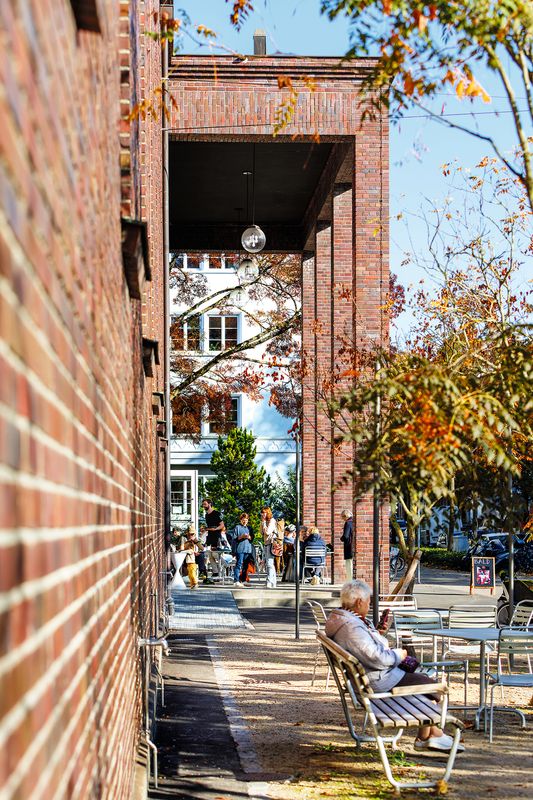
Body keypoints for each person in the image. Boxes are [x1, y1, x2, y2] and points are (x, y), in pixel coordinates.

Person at [325, 580, 465, 753]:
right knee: (434, 687)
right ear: (359, 602)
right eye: (368, 601)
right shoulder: (351, 628)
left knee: (425, 688)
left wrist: (377, 634)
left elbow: (364, 648)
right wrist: (399, 655)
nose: (369, 605)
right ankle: (429, 737)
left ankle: (432, 736)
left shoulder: (343, 620)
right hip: (380, 681)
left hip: (372, 678)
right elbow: (378, 659)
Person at [202, 498, 223, 577]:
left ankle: (226, 565)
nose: (203, 506)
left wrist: (215, 529)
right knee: (210, 556)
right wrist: (206, 529)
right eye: (203, 504)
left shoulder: (216, 513)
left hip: (216, 537)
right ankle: (216, 572)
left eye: (205, 504)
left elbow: (222, 525)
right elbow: (209, 527)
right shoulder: (206, 515)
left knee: (216, 554)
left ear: (210, 504)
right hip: (210, 537)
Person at [232, 512, 253, 586]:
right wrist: (242, 537)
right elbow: (234, 539)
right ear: (241, 520)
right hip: (240, 549)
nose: (245, 521)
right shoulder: (237, 527)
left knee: (246, 565)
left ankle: (243, 580)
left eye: (246, 520)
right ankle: (236, 580)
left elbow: (252, 538)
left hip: (248, 549)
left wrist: (249, 537)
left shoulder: (249, 528)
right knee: (239, 564)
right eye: (243, 520)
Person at [261, 506, 278, 588]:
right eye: (262, 513)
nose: (262, 514)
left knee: (269, 564)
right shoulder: (264, 521)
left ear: (268, 513)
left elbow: (267, 532)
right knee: (270, 564)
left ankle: (269, 582)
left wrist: (264, 523)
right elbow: (261, 532)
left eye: (264, 512)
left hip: (271, 543)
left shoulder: (272, 521)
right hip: (266, 543)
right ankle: (273, 583)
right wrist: (263, 523)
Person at [340, 509, 353, 581]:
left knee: (349, 565)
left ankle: (349, 582)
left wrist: (341, 539)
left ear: (345, 516)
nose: (343, 519)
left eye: (342, 517)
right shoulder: (354, 522)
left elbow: (346, 536)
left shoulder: (348, 523)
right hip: (354, 547)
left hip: (349, 547)